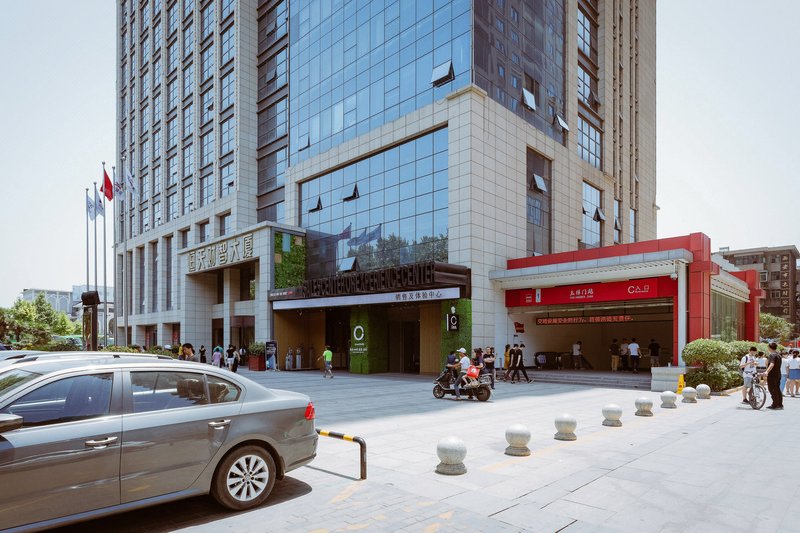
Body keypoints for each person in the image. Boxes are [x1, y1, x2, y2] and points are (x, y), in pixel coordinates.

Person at [764, 342, 784, 410]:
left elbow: (772, 364)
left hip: (772, 375)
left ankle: (775, 404)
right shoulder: (778, 355)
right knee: (777, 389)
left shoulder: (772, 355)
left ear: (769, 348)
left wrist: (766, 371)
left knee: (772, 389)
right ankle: (780, 404)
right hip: (778, 374)